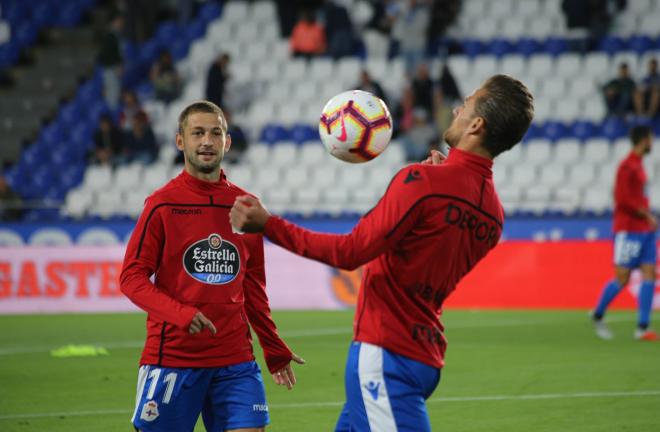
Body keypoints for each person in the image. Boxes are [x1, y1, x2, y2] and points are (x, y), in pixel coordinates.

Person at [230, 75, 534, 431]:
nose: (456, 109)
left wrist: (269, 225)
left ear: (477, 125)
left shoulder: (423, 182)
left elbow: (351, 251)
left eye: (465, 104)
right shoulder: (493, 214)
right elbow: (434, 242)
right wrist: (440, 179)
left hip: (386, 355)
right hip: (425, 355)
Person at [120, 100, 304, 431]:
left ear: (227, 142)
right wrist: (180, 314)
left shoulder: (247, 206)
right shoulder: (162, 205)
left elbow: (253, 287)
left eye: (215, 132)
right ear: (181, 142)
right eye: (198, 133)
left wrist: (273, 346)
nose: (207, 141)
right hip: (173, 360)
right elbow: (131, 278)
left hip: (235, 360)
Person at [592, 125, 658, 342]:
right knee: (623, 277)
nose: (652, 142)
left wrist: (647, 218)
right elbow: (622, 199)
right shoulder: (627, 166)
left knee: (650, 273)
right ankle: (598, 314)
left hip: (644, 229)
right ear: (643, 140)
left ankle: (642, 328)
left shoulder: (638, 165)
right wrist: (646, 214)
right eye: (650, 138)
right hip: (629, 229)